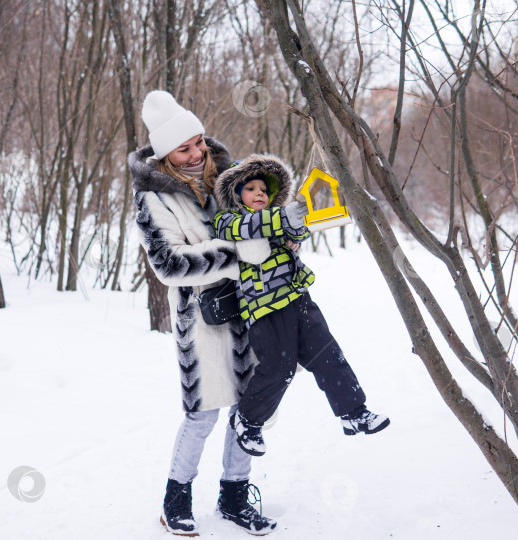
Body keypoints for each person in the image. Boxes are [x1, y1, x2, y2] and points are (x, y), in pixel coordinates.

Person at [128, 91, 277, 536]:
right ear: (165, 154)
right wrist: (237, 254)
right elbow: (170, 264)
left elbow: (260, 226)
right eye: (184, 148)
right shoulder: (153, 200)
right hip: (202, 318)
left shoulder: (229, 180)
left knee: (248, 411)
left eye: (199, 142)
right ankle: (175, 501)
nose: (197, 153)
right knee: (203, 414)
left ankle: (234, 497)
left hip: (251, 309)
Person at [212, 153, 391, 457]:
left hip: (298, 299)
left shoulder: (274, 217)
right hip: (265, 310)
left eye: (264, 190)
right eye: (251, 188)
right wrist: (283, 220)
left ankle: (353, 412)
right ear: (235, 193)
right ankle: (248, 421)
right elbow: (248, 228)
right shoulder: (229, 221)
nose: (259, 194)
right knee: (279, 369)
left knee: (328, 354)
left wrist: (296, 225)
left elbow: (297, 230)